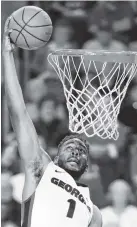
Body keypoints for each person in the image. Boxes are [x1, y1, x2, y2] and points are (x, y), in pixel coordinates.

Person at [3, 18, 102, 227]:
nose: (76, 151)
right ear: (55, 157)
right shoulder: (42, 170)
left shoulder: (94, 212)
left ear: (87, 165)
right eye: (70, 147)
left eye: (81, 150)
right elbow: (19, 113)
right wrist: (7, 56)